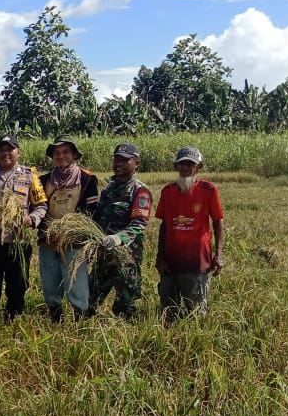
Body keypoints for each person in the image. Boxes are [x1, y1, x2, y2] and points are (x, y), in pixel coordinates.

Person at [0, 133, 47, 320]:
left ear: (18, 152)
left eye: (10, 149)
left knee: (18, 282)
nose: (5, 153)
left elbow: (41, 206)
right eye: (1, 150)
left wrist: (31, 219)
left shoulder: (30, 175)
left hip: (19, 241)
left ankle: (14, 316)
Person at [155, 146, 224, 322]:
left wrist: (218, 254)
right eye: (182, 164)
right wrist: (160, 257)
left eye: (190, 164)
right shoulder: (167, 191)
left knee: (195, 311)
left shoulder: (208, 190)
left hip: (197, 260)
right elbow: (164, 226)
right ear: (176, 166)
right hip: (171, 260)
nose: (186, 168)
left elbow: (217, 221)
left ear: (198, 167)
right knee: (169, 310)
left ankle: (195, 343)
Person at [37, 136, 100, 322]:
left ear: (74, 155)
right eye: (57, 153)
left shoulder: (87, 179)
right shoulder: (43, 180)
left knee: (76, 283)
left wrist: (73, 230)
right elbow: (38, 208)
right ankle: (55, 316)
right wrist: (46, 229)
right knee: (50, 283)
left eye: (66, 152)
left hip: (74, 241)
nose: (61, 156)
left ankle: (80, 320)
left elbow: (91, 211)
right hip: (49, 240)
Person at [86, 143, 152, 319]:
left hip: (126, 256)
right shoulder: (109, 188)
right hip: (104, 252)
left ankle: (126, 339)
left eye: (124, 160)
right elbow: (99, 217)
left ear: (136, 163)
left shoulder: (140, 190)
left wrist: (119, 238)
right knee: (89, 299)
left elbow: (139, 223)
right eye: (116, 159)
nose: (118, 164)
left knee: (125, 303)